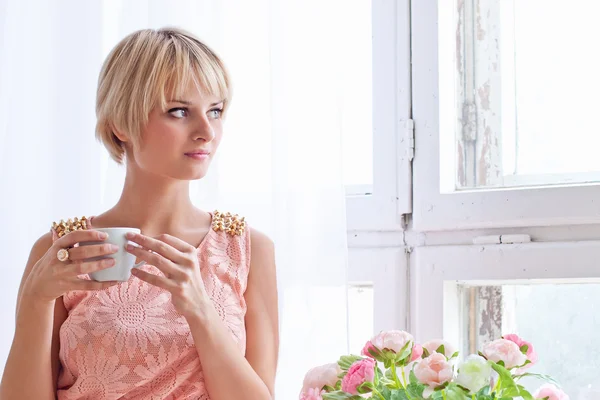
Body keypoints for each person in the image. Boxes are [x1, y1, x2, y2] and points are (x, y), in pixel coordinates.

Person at [0, 27, 279, 400]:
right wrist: (36, 300)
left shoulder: (246, 250)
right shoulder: (64, 251)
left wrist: (199, 309)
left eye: (216, 110)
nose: (206, 131)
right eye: (178, 111)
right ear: (120, 124)